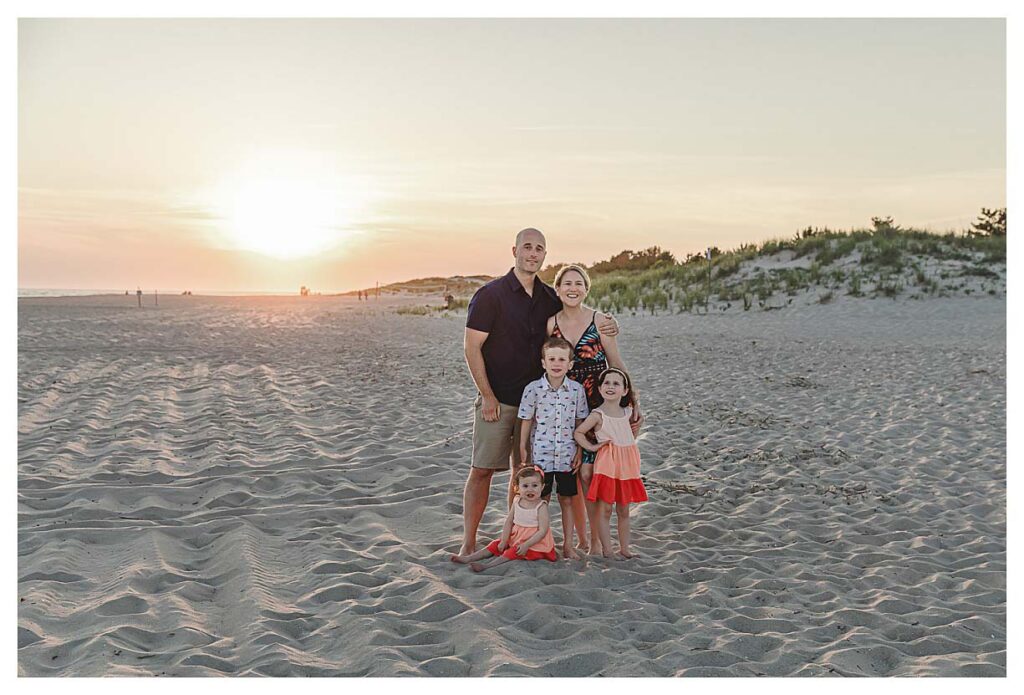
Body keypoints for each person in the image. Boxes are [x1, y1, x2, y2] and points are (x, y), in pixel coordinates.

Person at [459, 228, 618, 556]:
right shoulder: (491, 295)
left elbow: (578, 310)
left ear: (545, 255)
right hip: (499, 400)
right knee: (482, 469)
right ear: (514, 250)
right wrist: (486, 395)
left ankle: (517, 537)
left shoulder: (548, 297)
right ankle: (468, 541)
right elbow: (472, 348)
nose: (533, 253)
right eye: (527, 247)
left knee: (525, 474)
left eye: (539, 249)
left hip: (541, 406)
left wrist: (608, 323)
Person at [547, 264, 642, 554]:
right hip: (565, 400)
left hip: (597, 400)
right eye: (567, 283)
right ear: (558, 289)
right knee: (575, 471)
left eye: (578, 283)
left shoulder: (600, 320)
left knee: (593, 471)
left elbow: (615, 360)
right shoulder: (551, 323)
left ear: (586, 289)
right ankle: (585, 540)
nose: (572, 288)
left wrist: (633, 398)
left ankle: (599, 541)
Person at [518, 336, 589, 559]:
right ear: (543, 363)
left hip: (567, 455)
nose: (556, 363)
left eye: (561, 359)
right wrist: (523, 447)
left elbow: (580, 422)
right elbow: (527, 420)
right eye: (552, 359)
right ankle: (543, 544)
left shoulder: (577, 390)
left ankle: (568, 545)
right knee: (542, 500)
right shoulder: (533, 389)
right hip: (542, 455)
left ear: (570, 364)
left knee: (567, 500)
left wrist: (579, 450)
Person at [574, 368, 647, 559]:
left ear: (624, 391)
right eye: (606, 383)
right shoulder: (597, 415)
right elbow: (579, 432)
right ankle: (607, 549)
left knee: (624, 509)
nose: (611, 387)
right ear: (599, 388)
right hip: (607, 464)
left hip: (627, 465)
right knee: (605, 508)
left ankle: (624, 548)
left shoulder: (629, 412)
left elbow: (632, 434)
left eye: (616, 383)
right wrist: (591, 447)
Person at [450, 466, 557, 572]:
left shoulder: (541, 506)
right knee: (495, 545)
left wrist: (526, 545)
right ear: (517, 488)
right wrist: (504, 539)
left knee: (512, 552)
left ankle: (487, 566)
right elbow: (509, 521)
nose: (530, 489)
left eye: (535, 485)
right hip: (517, 537)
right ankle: (468, 558)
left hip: (535, 544)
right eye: (525, 486)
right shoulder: (517, 501)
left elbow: (543, 531)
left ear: (542, 487)